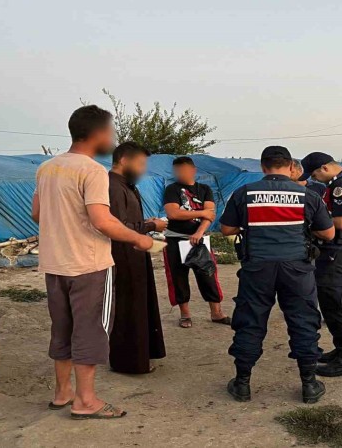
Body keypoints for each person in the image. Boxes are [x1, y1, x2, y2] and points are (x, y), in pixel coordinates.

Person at [32, 105, 153, 420]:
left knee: (63, 328)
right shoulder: (93, 170)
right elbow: (102, 220)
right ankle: (86, 401)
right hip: (89, 265)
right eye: (110, 132)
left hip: (55, 265)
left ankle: (62, 393)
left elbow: (37, 214)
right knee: (90, 330)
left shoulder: (46, 168)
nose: (112, 139)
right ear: (98, 134)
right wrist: (139, 238)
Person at [220, 146, 335, 404]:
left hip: (257, 268)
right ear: (291, 166)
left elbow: (227, 229)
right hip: (297, 269)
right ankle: (309, 384)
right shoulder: (307, 195)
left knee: (250, 321)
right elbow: (328, 233)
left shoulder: (244, 193)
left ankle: (242, 384)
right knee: (303, 321)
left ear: (263, 167)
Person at [299, 152, 342, 377]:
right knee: (332, 304)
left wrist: (313, 222)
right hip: (338, 251)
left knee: (337, 305)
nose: (314, 179)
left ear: (325, 168)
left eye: (314, 174)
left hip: (338, 252)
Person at [108, 141, 168, 374]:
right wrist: (152, 225)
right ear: (124, 160)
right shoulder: (113, 187)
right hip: (122, 257)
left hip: (134, 254)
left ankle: (142, 356)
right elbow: (118, 226)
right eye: (140, 164)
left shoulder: (126, 185)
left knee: (140, 305)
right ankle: (129, 362)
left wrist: (146, 225)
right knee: (128, 308)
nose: (143, 170)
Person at [162, 156, 229, 328]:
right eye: (177, 171)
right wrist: (201, 213)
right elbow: (173, 213)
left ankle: (216, 312)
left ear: (193, 170)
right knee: (178, 278)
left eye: (184, 170)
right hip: (175, 239)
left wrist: (199, 232)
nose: (180, 173)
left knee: (208, 275)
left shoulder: (204, 189)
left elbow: (210, 214)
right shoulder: (172, 189)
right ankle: (185, 314)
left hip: (200, 239)